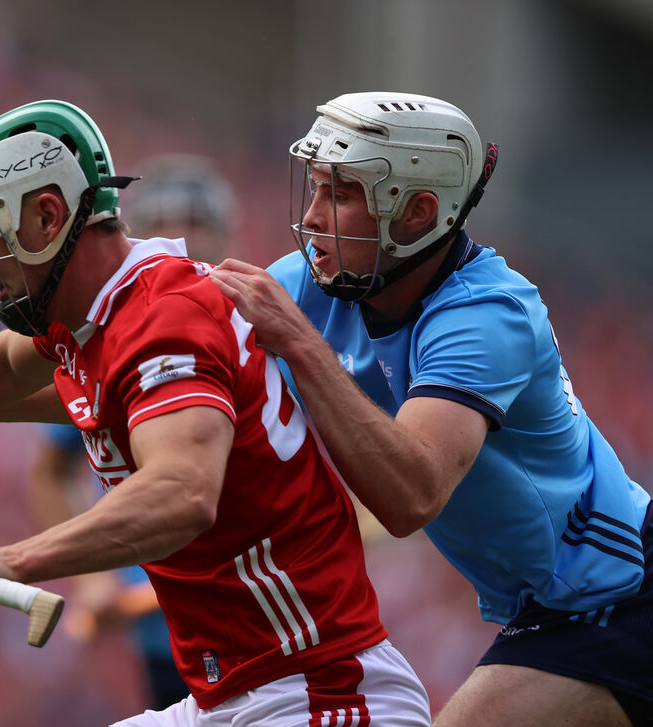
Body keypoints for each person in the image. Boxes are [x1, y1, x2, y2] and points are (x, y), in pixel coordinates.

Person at [0, 99, 431, 726]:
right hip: (238, 697)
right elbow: (0, 365)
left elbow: (182, 493)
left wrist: (12, 559)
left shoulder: (161, 323)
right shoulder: (100, 314)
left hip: (318, 693)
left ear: (48, 218)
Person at [209, 91, 653, 727]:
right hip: (558, 600)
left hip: (617, 589)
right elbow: (176, 360)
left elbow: (411, 496)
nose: (310, 217)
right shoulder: (323, 278)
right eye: (315, 187)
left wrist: (300, 344)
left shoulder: (485, 315)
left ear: (417, 213)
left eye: (340, 194)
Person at [27, 154, 235, 711]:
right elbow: (50, 470)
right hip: (166, 633)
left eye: (196, 223)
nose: (183, 237)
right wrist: (95, 580)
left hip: (257, 620)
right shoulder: (111, 345)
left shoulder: (257, 334)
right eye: (166, 224)